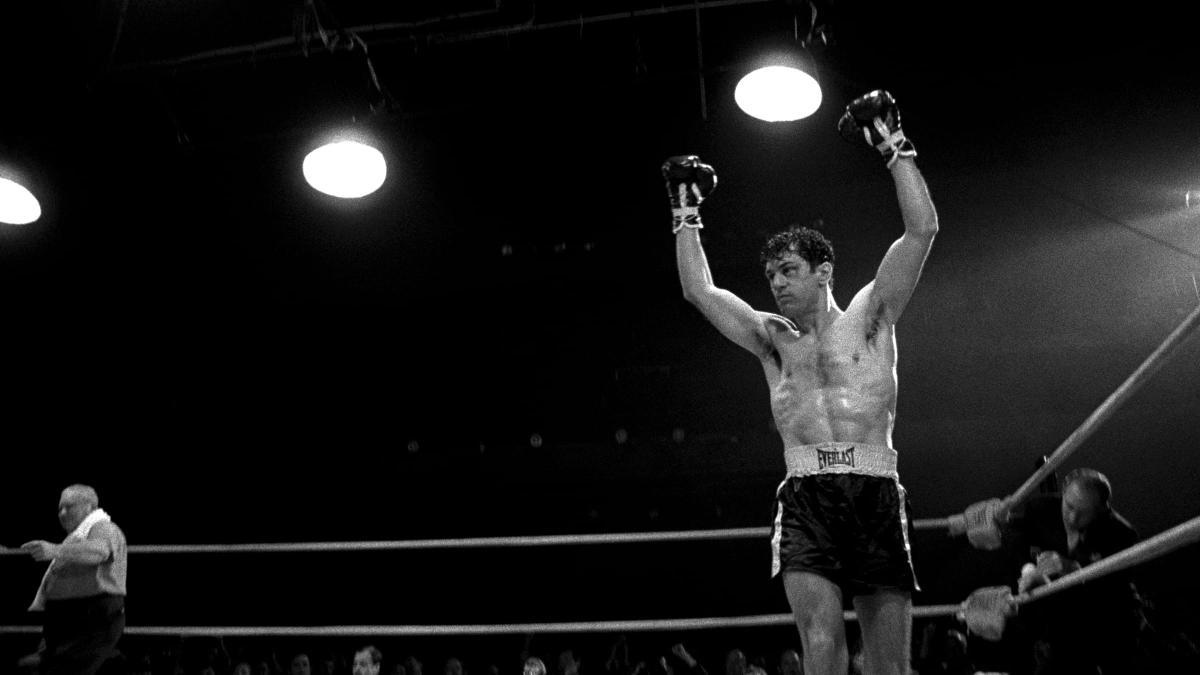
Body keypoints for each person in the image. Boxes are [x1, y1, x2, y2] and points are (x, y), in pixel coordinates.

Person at [667, 89, 938, 675]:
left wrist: (894, 147)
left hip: (874, 486)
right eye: (770, 274)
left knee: (890, 664)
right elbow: (700, 291)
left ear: (824, 273)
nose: (777, 284)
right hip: (807, 493)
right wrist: (684, 211)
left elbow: (921, 232)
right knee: (821, 649)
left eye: (788, 271)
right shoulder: (773, 339)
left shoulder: (871, 317)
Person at [1004, 468, 1147, 674]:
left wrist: (1074, 569)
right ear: (1063, 493)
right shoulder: (1040, 509)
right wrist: (1028, 570)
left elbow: (1114, 588)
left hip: (1109, 619)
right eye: (1069, 505)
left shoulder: (1120, 533)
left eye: (1083, 512)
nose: (1072, 517)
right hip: (1060, 618)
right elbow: (1016, 539)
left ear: (1101, 509)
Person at [18, 484, 128, 675]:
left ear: (90, 507)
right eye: (60, 508)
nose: (62, 513)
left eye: (69, 506)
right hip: (67, 618)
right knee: (35, 667)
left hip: (90, 616)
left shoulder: (103, 527)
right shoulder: (76, 537)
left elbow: (100, 551)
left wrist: (54, 550)